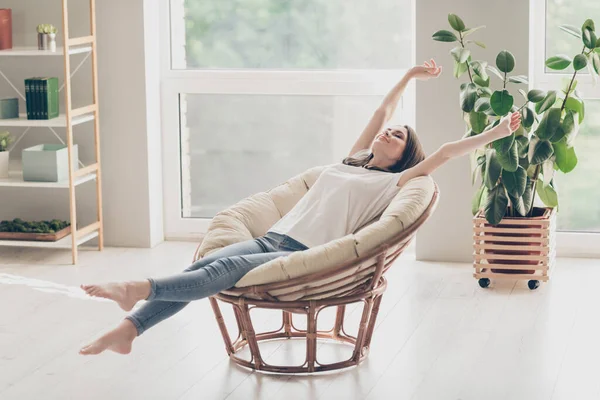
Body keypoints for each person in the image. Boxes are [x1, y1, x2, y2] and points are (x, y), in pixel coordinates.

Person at [79, 59, 522, 355]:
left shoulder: (395, 183)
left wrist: (496, 132)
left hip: (299, 252)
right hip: (271, 236)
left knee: (213, 274)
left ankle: (137, 288)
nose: (389, 132)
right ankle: (130, 330)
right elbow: (382, 108)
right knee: (209, 263)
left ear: (407, 154)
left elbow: (445, 151)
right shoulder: (352, 162)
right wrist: (408, 76)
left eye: (400, 135)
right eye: (389, 130)